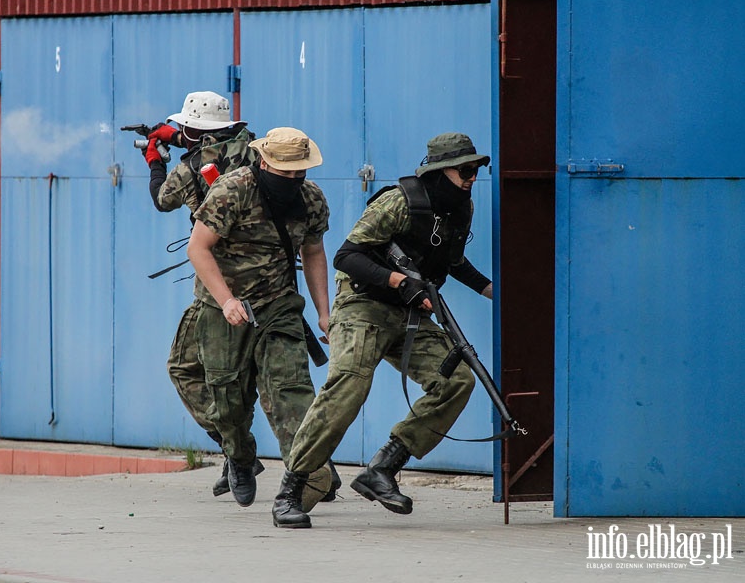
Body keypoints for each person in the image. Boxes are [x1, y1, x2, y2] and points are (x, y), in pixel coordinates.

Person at [272, 132, 494, 528]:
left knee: (458, 379)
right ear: (441, 171)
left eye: (477, 168)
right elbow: (346, 255)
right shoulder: (400, 201)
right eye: (465, 169)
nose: (473, 176)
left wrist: (492, 291)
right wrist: (399, 282)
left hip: (408, 313)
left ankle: (383, 467)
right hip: (363, 307)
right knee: (349, 385)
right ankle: (292, 488)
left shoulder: (461, 208)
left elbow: (454, 262)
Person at [186, 127, 334, 508]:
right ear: (264, 161)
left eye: (299, 172)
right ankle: (240, 457)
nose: (293, 179)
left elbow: (314, 252)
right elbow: (198, 248)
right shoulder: (233, 190)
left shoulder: (311, 198)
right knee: (228, 401)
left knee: (292, 390)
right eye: (285, 172)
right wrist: (226, 301)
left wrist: (323, 313)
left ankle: (301, 485)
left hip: (279, 305)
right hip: (225, 308)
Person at [143, 91, 263, 497]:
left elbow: (163, 201)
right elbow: (220, 143)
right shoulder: (257, 149)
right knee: (275, 383)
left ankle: (236, 450)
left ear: (194, 129)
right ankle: (314, 469)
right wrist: (175, 137)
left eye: (184, 128)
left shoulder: (191, 166)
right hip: (270, 279)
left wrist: (154, 159)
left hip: (218, 287)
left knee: (185, 368)